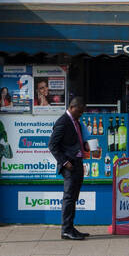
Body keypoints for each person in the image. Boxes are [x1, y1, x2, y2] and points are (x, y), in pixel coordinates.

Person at [48, 95, 90, 240]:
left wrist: (85, 146)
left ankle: (70, 227)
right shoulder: (63, 122)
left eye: (82, 112)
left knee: (73, 197)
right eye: (79, 111)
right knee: (69, 197)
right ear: (72, 108)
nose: (80, 114)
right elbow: (52, 145)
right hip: (69, 165)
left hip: (77, 162)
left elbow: (76, 140)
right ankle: (66, 229)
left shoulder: (76, 122)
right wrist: (64, 162)